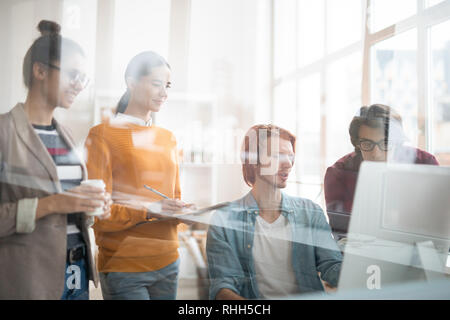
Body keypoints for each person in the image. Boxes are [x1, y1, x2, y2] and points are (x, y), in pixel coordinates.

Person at [0, 20, 111, 299]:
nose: (79, 85)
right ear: (40, 70)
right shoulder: (4, 131)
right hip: (29, 279)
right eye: (73, 74)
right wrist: (54, 204)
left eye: (83, 78)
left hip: (77, 270)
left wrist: (92, 207)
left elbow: (70, 212)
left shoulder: (67, 136)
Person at [85, 51, 193, 300]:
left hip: (169, 261)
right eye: (156, 84)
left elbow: (174, 198)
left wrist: (186, 213)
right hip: (125, 267)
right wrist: (150, 209)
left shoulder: (168, 138)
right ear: (131, 82)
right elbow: (99, 214)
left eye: (167, 86)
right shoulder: (102, 135)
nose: (164, 93)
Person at [206, 124, 342, 300]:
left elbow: (332, 267)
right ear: (253, 162)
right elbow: (223, 288)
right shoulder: (223, 220)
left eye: (290, 156)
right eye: (278, 156)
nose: (288, 163)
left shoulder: (310, 212)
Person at [324, 104, 439, 240]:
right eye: (367, 144)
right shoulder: (339, 173)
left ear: (397, 142)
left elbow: (437, 221)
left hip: (418, 247)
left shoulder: (424, 163)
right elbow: (342, 233)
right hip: (363, 251)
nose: (376, 154)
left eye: (385, 143)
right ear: (357, 144)